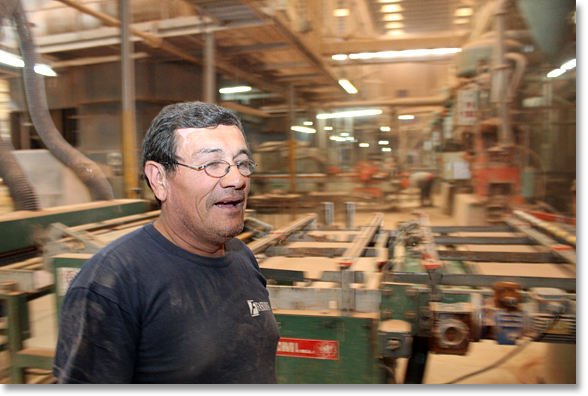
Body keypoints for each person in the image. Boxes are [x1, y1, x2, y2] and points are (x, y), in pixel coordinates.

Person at [52, 101, 280, 383]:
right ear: (159, 179)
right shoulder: (111, 286)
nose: (236, 179)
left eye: (242, 163)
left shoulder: (242, 256)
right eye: (212, 164)